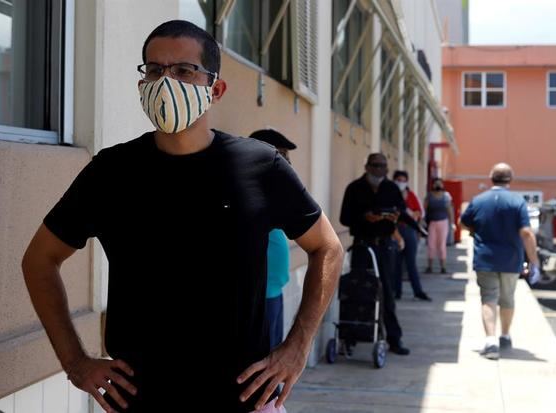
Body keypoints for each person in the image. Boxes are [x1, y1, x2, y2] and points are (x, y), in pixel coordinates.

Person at [21, 20, 344, 413]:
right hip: (141, 401)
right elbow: (39, 261)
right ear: (142, 84)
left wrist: (297, 346)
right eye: (154, 70)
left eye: (183, 70)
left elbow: (327, 248)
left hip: (242, 400)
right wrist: (75, 362)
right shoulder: (111, 172)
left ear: (216, 88)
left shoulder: (261, 166)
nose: (165, 80)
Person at [460, 163, 540, 360]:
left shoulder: (478, 200)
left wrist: (474, 232)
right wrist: (534, 261)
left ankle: (490, 340)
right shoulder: (517, 202)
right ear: (510, 179)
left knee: (488, 298)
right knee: (507, 298)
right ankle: (504, 335)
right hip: (511, 260)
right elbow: (526, 233)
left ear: (491, 178)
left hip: (485, 258)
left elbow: (463, 222)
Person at [340, 153, 411, 355]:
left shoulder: (391, 188)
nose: (380, 170)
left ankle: (394, 339)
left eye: (384, 166)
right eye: (376, 165)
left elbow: (402, 212)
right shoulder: (354, 188)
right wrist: (364, 218)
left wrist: (395, 217)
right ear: (368, 166)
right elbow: (344, 218)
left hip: (385, 247)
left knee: (388, 292)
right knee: (358, 289)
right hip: (363, 246)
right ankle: (351, 336)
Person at [249, 129, 297, 349]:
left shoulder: (274, 187)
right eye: (282, 154)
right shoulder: (250, 187)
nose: (287, 161)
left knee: (274, 356)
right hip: (258, 293)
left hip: (274, 290)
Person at [392, 170, 431, 301]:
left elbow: (420, 212)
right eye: (399, 180)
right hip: (395, 230)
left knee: (411, 263)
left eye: (403, 180)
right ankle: (396, 291)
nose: (401, 183)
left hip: (409, 231)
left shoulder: (411, 195)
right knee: (396, 263)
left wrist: (414, 215)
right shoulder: (391, 194)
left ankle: (418, 291)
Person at [424, 178, 455, 274]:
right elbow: (424, 209)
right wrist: (423, 221)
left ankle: (443, 267)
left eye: (439, 183)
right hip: (432, 222)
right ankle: (430, 266)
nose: (437, 185)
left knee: (441, 245)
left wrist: (452, 223)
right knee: (431, 245)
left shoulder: (446, 196)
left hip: (443, 222)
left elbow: (450, 210)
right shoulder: (429, 196)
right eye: (436, 183)